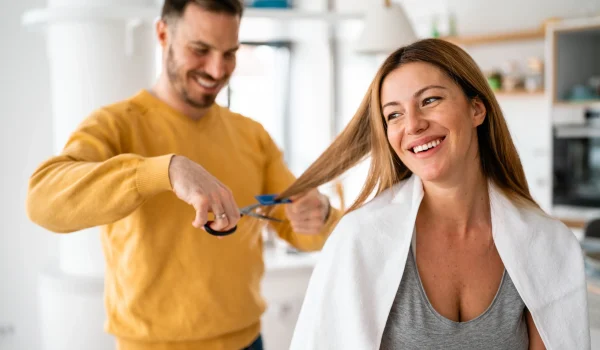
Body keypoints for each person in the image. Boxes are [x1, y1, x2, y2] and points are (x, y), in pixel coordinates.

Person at [25, 1, 342, 349]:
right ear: (163, 34)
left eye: (230, 53)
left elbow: (301, 228)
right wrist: (166, 170)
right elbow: (42, 201)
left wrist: (321, 214)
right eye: (200, 49)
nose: (217, 69)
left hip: (248, 341)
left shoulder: (252, 135)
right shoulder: (117, 125)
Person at [276, 39, 590, 349]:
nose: (412, 125)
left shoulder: (546, 244)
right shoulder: (359, 239)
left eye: (429, 100)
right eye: (394, 115)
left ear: (476, 109)